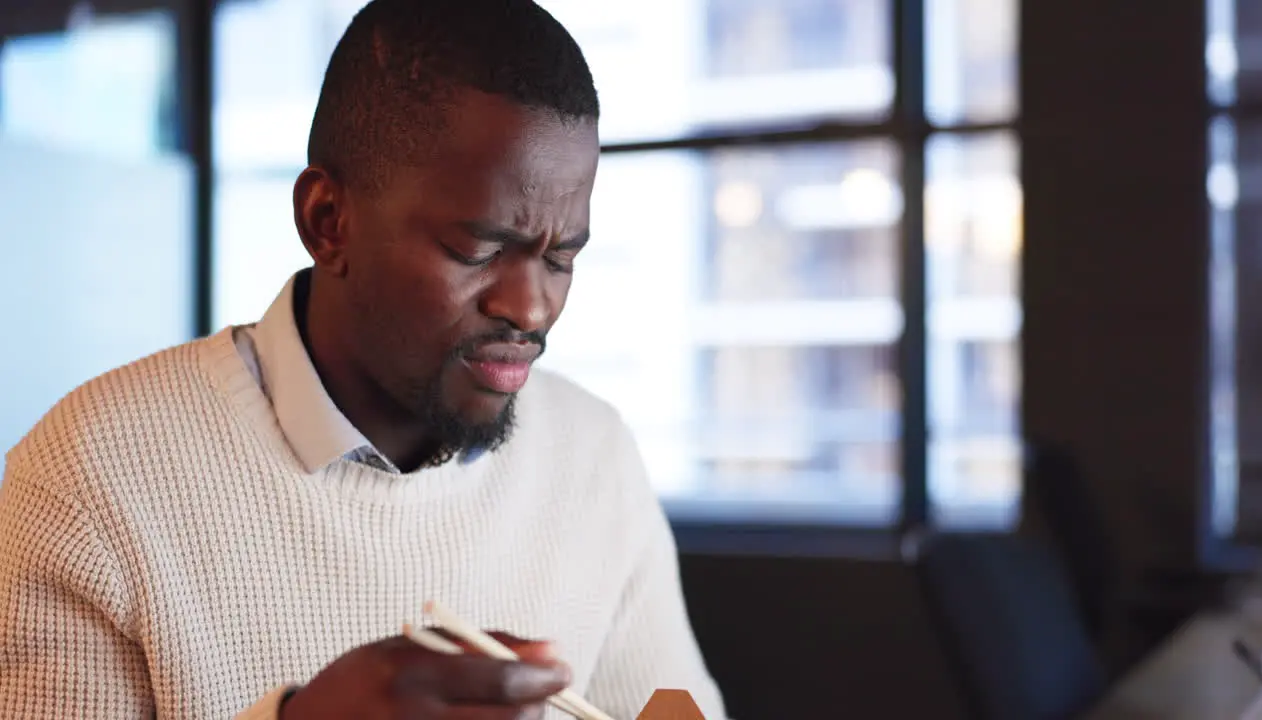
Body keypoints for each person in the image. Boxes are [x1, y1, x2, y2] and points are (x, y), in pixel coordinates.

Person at [0, 1, 726, 718]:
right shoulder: (89, 482)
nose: (532, 309)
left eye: (561, 257)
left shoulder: (592, 454)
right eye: (478, 249)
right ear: (328, 221)